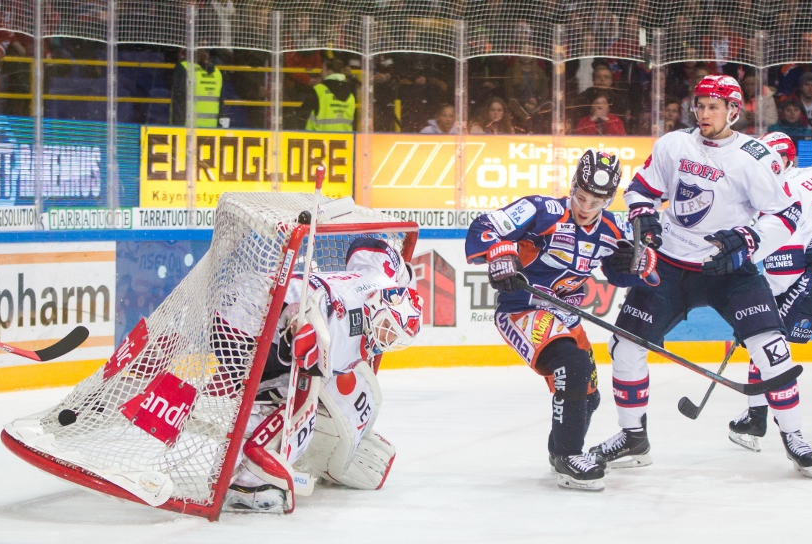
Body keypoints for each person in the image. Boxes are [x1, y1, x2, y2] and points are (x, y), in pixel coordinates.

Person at [589, 75, 812, 477]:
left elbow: (786, 215)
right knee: (624, 347)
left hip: (729, 270)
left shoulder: (754, 156)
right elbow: (641, 189)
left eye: (713, 106)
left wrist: (748, 240)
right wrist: (643, 216)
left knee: (772, 349)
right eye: (700, 104)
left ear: (733, 110)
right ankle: (632, 437)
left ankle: (795, 438)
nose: (703, 112)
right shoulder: (674, 144)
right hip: (670, 265)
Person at [465, 150, 659, 492]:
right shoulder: (542, 210)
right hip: (523, 309)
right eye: (581, 196)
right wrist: (501, 254)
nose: (585, 207)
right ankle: (569, 455)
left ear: (609, 199)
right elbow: (485, 227)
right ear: (572, 186)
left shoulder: (613, 229)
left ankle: (560, 452)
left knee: (588, 396)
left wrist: (638, 266)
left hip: (566, 316)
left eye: (596, 200)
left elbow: (624, 272)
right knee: (572, 364)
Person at [224, 238, 423, 512]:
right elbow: (306, 334)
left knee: (284, 386)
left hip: (247, 292)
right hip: (244, 324)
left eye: (393, 339)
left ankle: (232, 464)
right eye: (387, 327)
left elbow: (367, 246)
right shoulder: (343, 341)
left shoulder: (381, 279)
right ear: (382, 304)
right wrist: (295, 331)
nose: (384, 339)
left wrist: (403, 277)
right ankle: (252, 482)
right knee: (295, 408)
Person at [729, 133, 812, 477]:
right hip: (801, 270)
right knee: (766, 341)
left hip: (804, 273)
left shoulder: (781, 190)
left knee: (772, 343)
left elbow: (783, 268)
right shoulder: (794, 180)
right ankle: (756, 418)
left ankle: (762, 420)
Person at [170, 48, 223, 128]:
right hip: (212, 130)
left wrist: (177, 129)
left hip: (188, 129)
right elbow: (221, 105)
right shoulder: (217, 73)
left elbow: (179, 103)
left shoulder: (183, 69)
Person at [302, 58, 356, 132]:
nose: (321, 73)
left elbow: (303, 115)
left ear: (329, 72)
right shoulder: (351, 92)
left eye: (323, 70)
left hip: (318, 140)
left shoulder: (318, 90)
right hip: (345, 140)